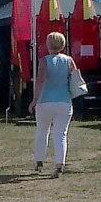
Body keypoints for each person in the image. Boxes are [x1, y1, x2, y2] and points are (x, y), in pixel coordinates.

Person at [30, 31, 77, 178]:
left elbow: (40, 80)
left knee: (42, 132)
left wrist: (34, 100)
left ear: (48, 44)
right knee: (61, 135)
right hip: (64, 101)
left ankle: (39, 161)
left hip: (45, 101)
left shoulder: (44, 60)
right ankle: (59, 165)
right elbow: (75, 78)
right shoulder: (69, 60)